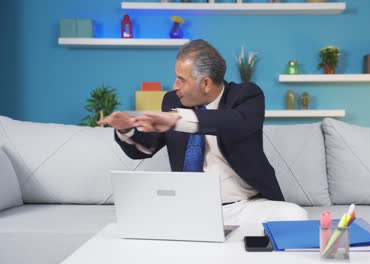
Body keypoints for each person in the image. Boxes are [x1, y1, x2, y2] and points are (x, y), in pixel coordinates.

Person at [98, 39, 308, 224]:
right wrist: (126, 129)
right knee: (135, 219)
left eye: (182, 79)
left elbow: (237, 123)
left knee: (294, 215)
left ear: (206, 83)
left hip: (245, 207)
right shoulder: (172, 100)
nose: (175, 85)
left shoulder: (246, 95)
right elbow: (147, 147)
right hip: (188, 207)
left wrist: (178, 119)